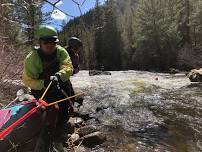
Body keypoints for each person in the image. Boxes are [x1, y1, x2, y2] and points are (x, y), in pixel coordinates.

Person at [22, 25, 73, 152]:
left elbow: (68, 67)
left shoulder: (61, 51)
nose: (50, 45)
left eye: (53, 42)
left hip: (58, 80)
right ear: (40, 43)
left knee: (69, 102)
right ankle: (50, 136)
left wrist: (59, 76)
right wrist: (44, 83)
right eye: (46, 42)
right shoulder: (32, 58)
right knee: (53, 108)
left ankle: (60, 128)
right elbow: (28, 80)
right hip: (41, 85)